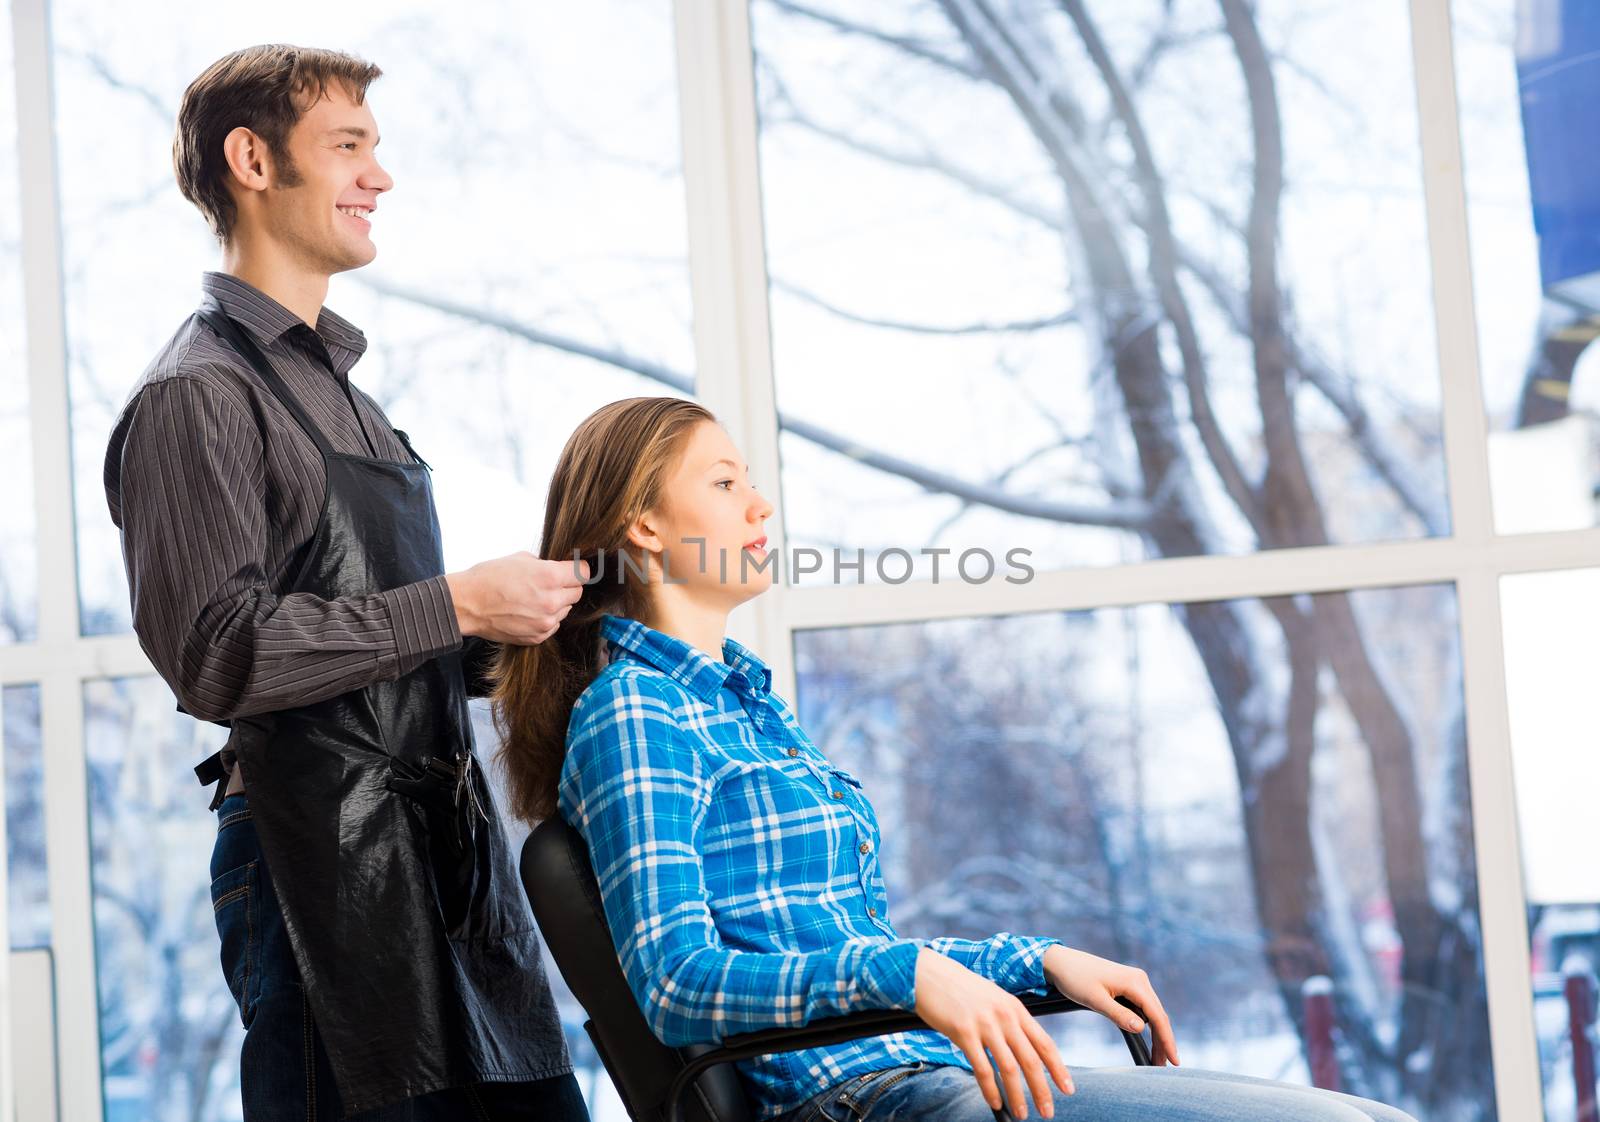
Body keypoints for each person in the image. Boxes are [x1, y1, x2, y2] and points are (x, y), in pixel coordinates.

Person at [490, 396, 1420, 1122]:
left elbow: (839, 951)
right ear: (645, 526)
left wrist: (1037, 960)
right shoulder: (635, 711)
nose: (762, 502)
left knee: (1366, 1114)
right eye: (726, 483)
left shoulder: (742, 704)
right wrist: (908, 976)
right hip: (857, 1102)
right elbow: (678, 985)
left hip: (914, 1078)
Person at [104, 44, 589, 1120]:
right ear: (252, 159)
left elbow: (378, 638)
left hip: (447, 862)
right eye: (349, 146)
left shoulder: (339, 392)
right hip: (320, 868)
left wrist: (556, 631)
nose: (381, 176)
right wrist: (458, 600)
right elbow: (220, 654)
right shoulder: (199, 395)